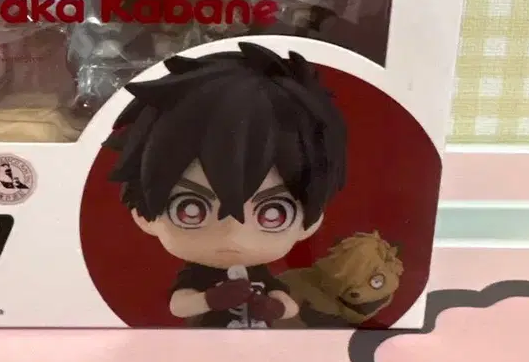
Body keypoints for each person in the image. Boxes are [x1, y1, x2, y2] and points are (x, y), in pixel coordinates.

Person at [104, 40, 348, 328]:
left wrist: (272, 307)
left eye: (274, 213)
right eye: (190, 209)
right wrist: (211, 300)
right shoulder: (198, 275)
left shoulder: (260, 274)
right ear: (142, 214)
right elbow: (179, 305)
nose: (234, 236)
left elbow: (288, 305)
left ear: (312, 220)